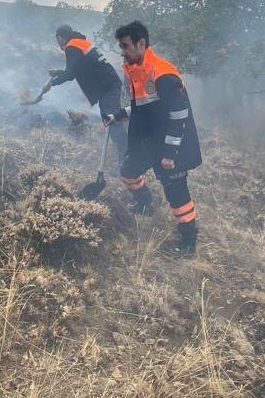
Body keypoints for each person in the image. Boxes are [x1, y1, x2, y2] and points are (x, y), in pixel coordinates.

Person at [105, 21, 201, 254]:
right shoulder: (136, 70)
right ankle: (145, 201)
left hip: (170, 145)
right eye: (120, 46)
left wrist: (169, 153)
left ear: (141, 43)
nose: (122, 51)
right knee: (128, 170)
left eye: (125, 46)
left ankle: (188, 241)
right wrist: (118, 115)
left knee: (176, 193)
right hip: (147, 141)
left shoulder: (162, 73)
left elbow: (179, 115)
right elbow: (142, 107)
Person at [42, 24, 128, 172]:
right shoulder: (79, 42)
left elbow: (70, 75)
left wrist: (52, 84)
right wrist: (59, 72)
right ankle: (124, 157)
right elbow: (77, 69)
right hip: (108, 85)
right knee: (109, 119)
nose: (58, 43)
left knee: (111, 119)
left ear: (60, 38)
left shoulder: (71, 46)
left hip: (107, 86)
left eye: (57, 39)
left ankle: (126, 160)